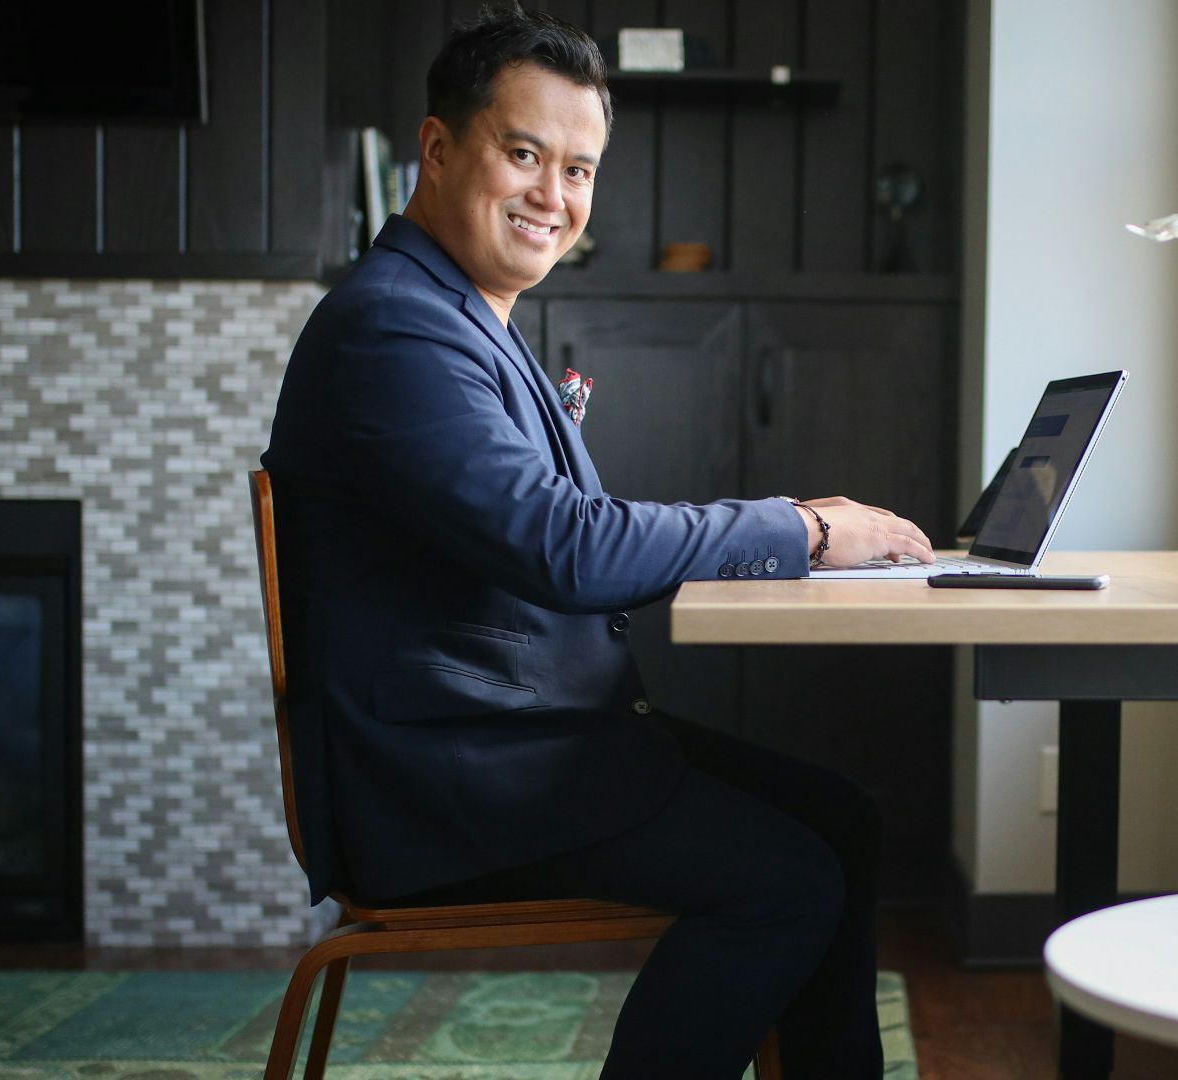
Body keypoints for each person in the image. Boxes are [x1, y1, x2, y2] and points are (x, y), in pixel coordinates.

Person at [260, 5, 934, 1078]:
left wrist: (787, 531)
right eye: (524, 154)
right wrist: (802, 528)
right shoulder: (395, 326)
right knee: (789, 883)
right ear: (438, 149)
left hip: (519, 741)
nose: (554, 196)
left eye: (579, 170)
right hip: (455, 781)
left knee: (841, 820)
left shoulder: (458, 312)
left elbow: (562, 537)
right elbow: (567, 549)